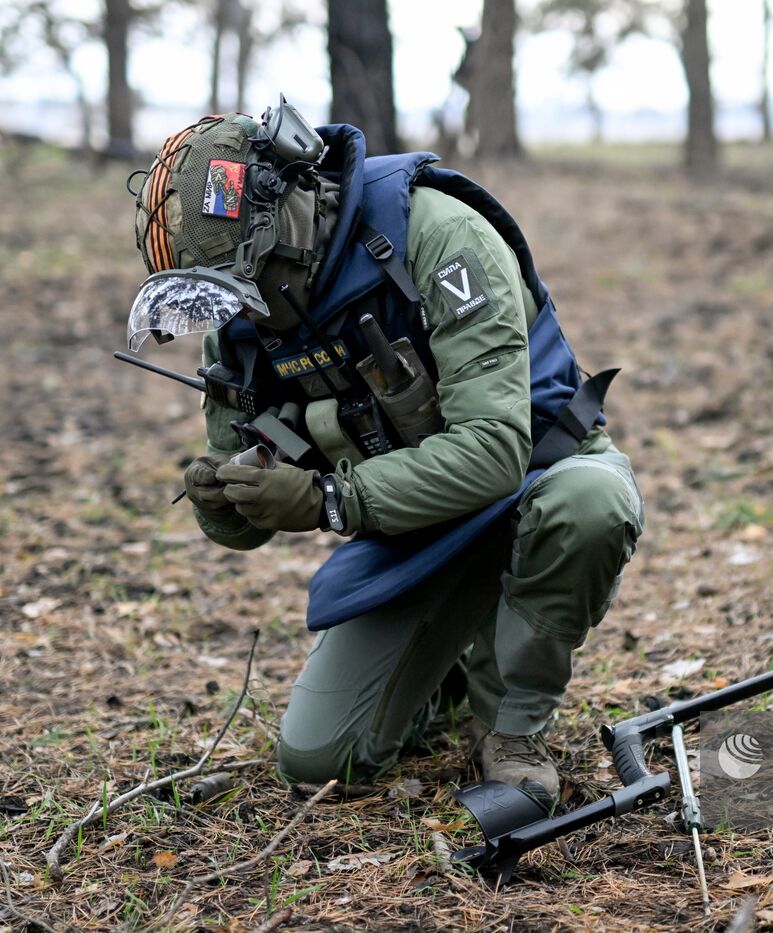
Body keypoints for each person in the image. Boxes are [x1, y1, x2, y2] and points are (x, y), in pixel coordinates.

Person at [124, 99, 643, 806]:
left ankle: (511, 725)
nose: (237, 313)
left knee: (591, 506)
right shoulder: (239, 320)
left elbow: (494, 451)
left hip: (538, 476)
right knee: (321, 758)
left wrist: (328, 499)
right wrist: (226, 503)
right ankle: (447, 676)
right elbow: (242, 510)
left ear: (295, 215)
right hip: (418, 528)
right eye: (218, 300)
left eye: (246, 285)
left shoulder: (436, 235)